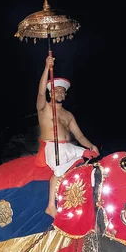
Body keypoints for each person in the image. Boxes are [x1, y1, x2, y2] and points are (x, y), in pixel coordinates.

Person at [35, 56, 99, 218]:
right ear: (51, 92)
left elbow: (79, 135)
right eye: (57, 90)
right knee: (58, 171)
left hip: (69, 147)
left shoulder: (68, 115)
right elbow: (40, 92)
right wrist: (46, 66)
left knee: (90, 158)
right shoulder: (44, 108)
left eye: (63, 91)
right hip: (53, 146)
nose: (60, 93)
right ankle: (51, 206)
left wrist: (91, 146)